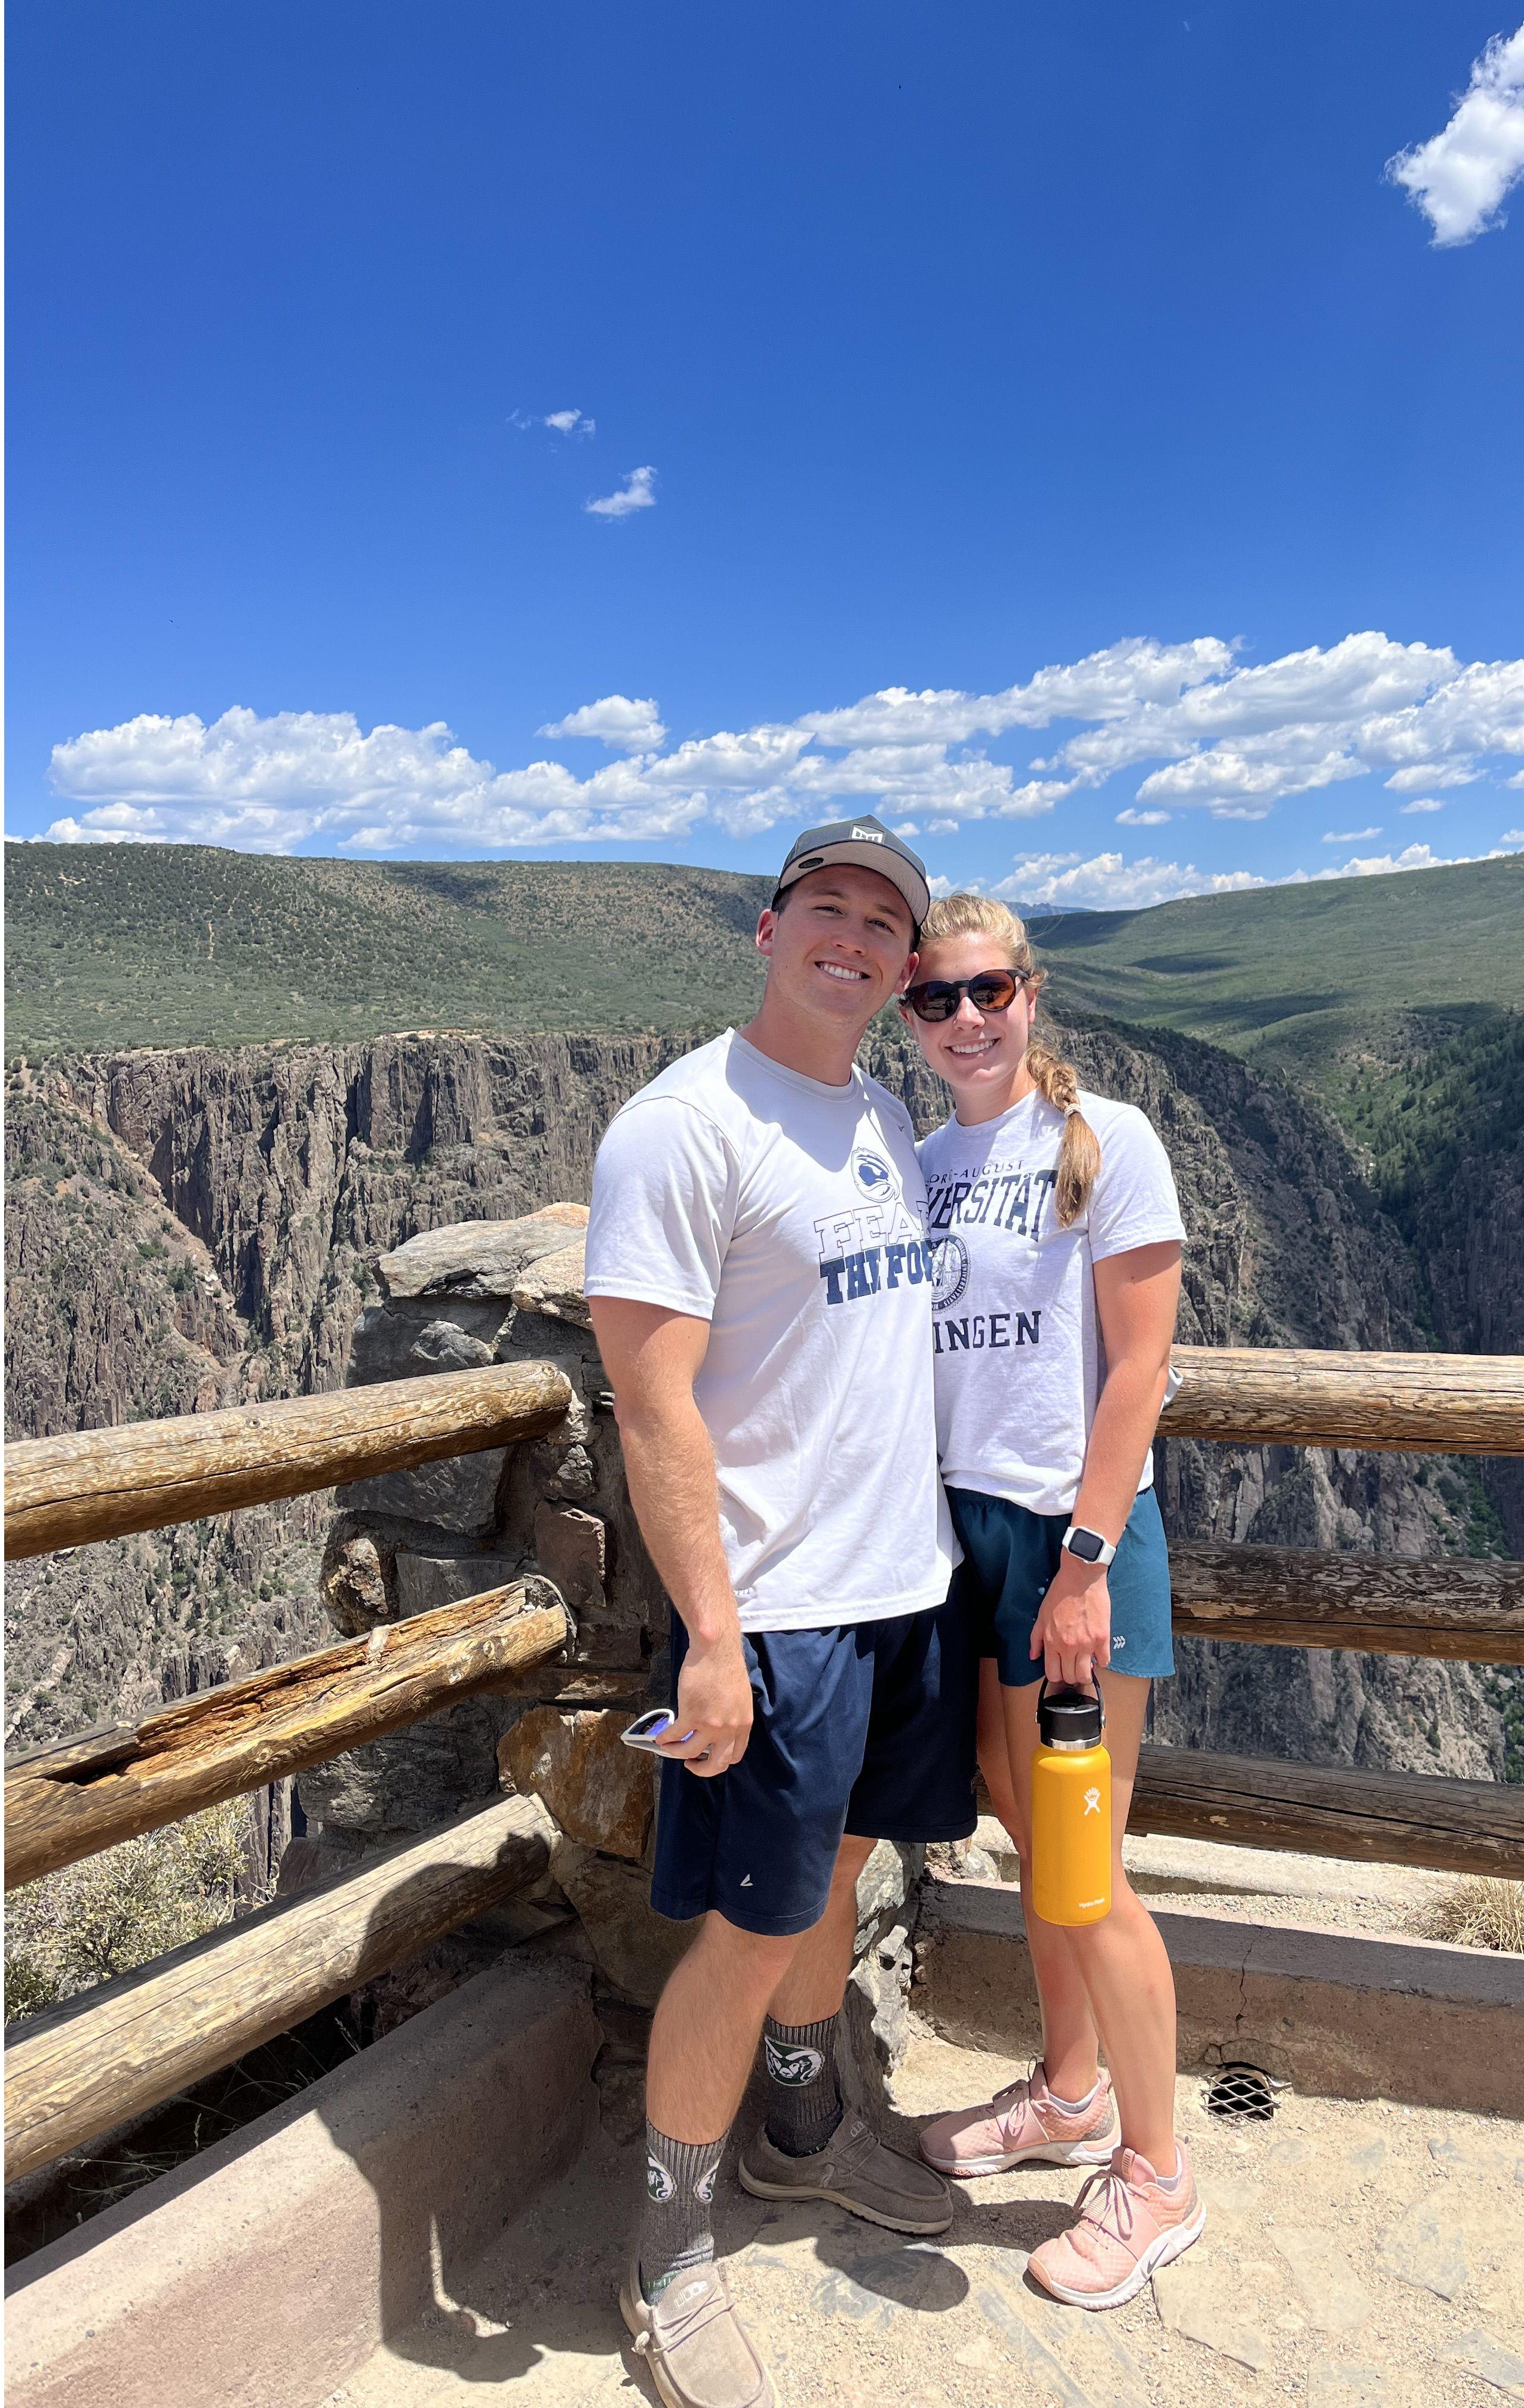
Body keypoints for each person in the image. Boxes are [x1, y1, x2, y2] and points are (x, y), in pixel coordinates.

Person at [582, 818, 974, 2408]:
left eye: (888, 925)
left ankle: (804, 2131)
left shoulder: (876, 1109)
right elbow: (648, 1397)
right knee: (748, 1931)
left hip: (901, 1590)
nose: (859, 941)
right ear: (767, 929)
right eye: (831, 909)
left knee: (839, 1875)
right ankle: (667, 2243)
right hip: (781, 1614)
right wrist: (719, 1640)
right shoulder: (682, 1128)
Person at [899, 891, 1200, 2309]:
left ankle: (1158, 2175)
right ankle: (1070, 2091)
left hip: (1074, 1545)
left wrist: (1082, 1567)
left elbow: (1136, 1372)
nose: (966, 1019)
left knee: (1083, 1868)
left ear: (1031, 992)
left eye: (988, 991)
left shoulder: (1104, 1143)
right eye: (935, 998)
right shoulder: (916, 1159)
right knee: (1029, 1834)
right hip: (968, 1542)